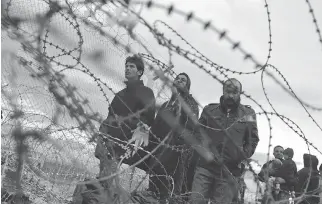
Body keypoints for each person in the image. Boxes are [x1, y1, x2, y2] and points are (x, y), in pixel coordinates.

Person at [189, 78, 259, 204]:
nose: (230, 95)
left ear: (240, 93)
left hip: (229, 172)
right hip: (205, 168)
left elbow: (252, 139)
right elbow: (198, 133)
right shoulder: (209, 110)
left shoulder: (248, 114)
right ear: (223, 91)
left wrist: (241, 155)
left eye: (234, 92)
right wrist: (204, 152)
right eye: (228, 91)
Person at [94, 54, 156, 180]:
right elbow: (110, 116)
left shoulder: (146, 93)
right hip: (108, 139)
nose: (127, 69)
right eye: (126, 66)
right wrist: (102, 132)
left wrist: (132, 132)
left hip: (124, 141)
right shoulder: (120, 94)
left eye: (131, 66)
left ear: (139, 72)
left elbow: (148, 119)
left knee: (107, 178)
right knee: (103, 176)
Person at [146, 73, 199, 204]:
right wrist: (151, 144)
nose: (179, 81)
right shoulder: (166, 104)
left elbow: (191, 128)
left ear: (187, 86)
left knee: (170, 191)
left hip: (176, 154)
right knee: (154, 188)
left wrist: (178, 146)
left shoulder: (190, 104)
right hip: (159, 150)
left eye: (183, 80)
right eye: (177, 79)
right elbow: (156, 125)